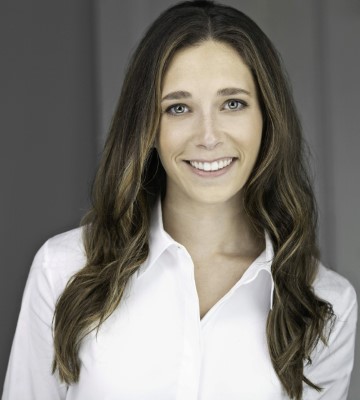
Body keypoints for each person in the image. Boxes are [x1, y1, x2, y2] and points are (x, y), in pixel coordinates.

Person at [2, 1, 357, 399]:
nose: (208, 136)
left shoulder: (324, 304)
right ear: (148, 126)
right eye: (179, 108)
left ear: (267, 118)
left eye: (233, 103)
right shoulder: (65, 270)